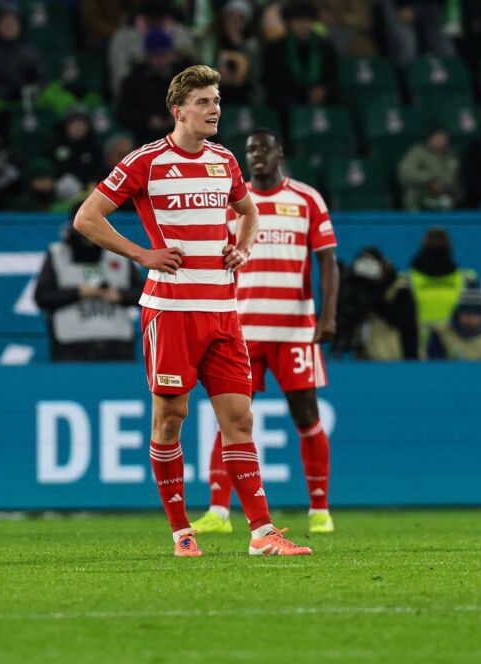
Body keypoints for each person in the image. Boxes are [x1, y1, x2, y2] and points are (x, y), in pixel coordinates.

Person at [73, 65, 312, 557]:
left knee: (239, 420)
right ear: (178, 111)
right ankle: (182, 532)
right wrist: (141, 254)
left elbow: (249, 212)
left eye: (217, 100)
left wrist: (242, 248)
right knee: (170, 420)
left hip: (223, 311)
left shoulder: (224, 160)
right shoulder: (146, 161)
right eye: (203, 102)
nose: (214, 109)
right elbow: (86, 217)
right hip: (171, 312)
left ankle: (262, 533)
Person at [190, 129, 340, 535]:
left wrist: (328, 317)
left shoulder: (306, 199)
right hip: (241, 329)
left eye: (264, 148)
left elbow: (328, 260)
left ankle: (320, 510)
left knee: (307, 416)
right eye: (251, 149)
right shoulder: (231, 202)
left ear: (279, 153)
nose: (257, 155)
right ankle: (218, 512)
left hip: (295, 329)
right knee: (230, 418)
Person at [34, 208, 145, 361]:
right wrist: (79, 292)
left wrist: (120, 295)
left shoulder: (120, 253)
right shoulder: (58, 254)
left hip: (117, 343)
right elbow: (42, 297)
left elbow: (145, 296)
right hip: (70, 346)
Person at [334, 247, 419, 361]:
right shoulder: (354, 291)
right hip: (361, 359)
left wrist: (374, 297)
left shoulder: (399, 289)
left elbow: (402, 321)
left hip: (394, 359)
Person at [426, 283, 481, 360]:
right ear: (458, 313)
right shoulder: (441, 334)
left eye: (476, 313)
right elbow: (434, 363)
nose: (471, 318)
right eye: (467, 312)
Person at [398, 125, 462, 211]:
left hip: (443, 197)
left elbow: (453, 179)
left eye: (442, 137)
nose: (440, 140)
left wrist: (445, 184)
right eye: (436, 137)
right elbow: (405, 172)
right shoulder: (418, 152)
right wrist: (430, 179)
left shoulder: (451, 155)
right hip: (421, 195)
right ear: (429, 138)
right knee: (412, 193)